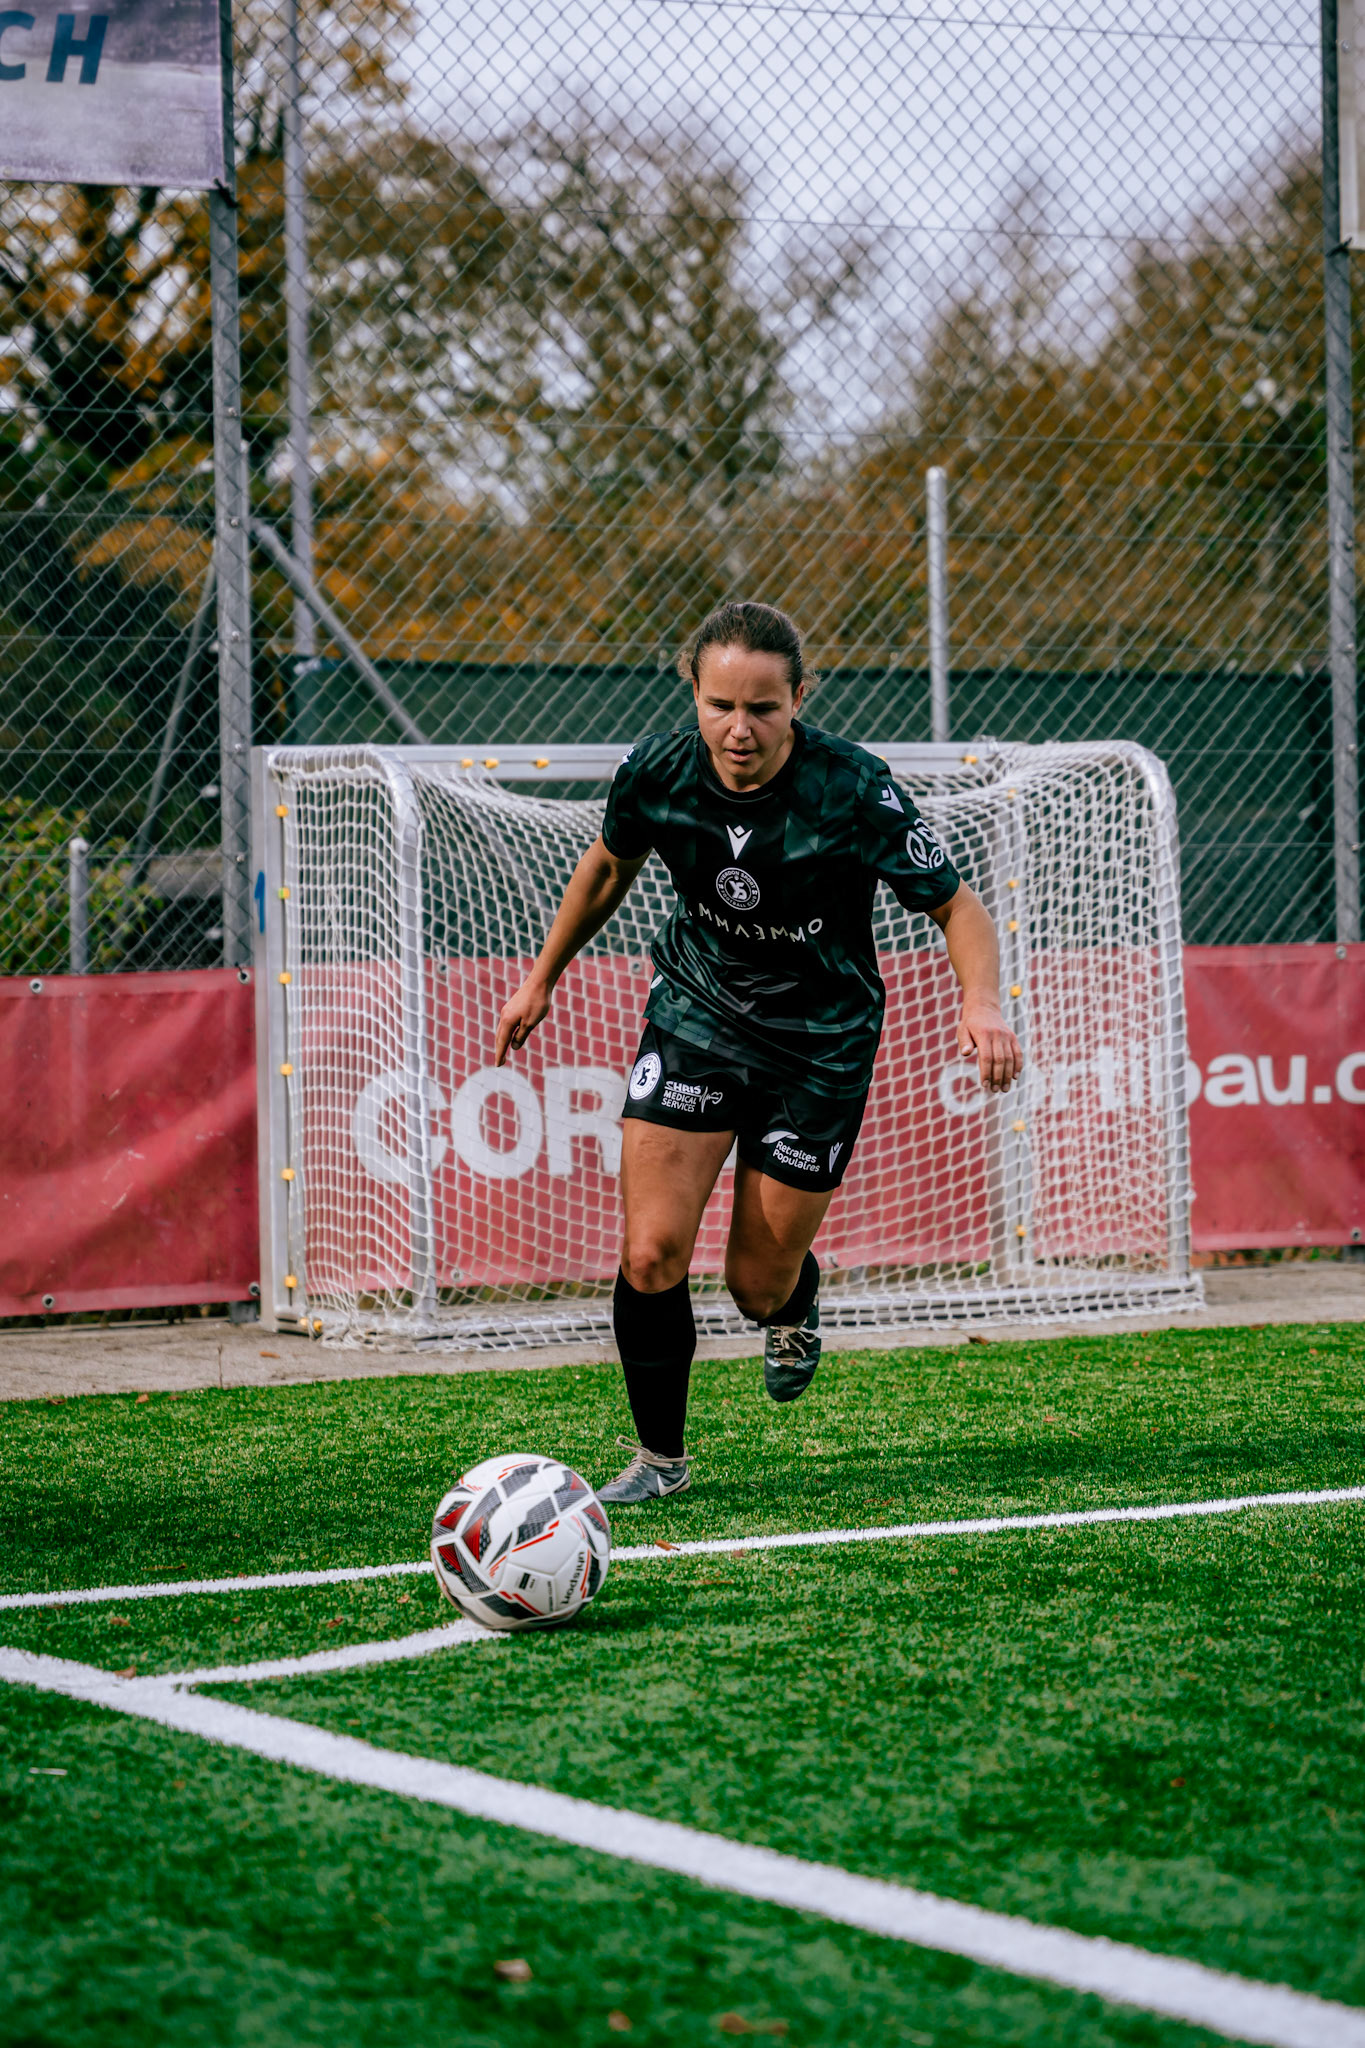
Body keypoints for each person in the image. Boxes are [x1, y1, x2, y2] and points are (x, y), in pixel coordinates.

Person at [495, 600, 1022, 1505]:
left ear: (798, 699)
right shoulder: (655, 770)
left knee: (754, 1284)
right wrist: (541, 976)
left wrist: (981, 1002)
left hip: (820, 1045)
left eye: (763, 708)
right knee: (652, 1252)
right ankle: (660, 1462)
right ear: (691, 694)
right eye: (720, 706)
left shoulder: (852, 787)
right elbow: (609, 867)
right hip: (697, 1018)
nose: (739, 730)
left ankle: (792, 1307)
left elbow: (956, 907)